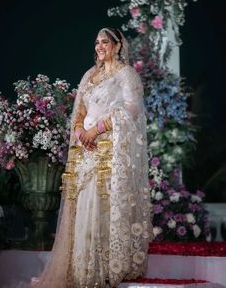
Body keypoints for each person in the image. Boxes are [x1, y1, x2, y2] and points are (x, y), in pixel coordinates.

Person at [30, 27, 153, 288]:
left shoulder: (126, 74)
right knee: (82, 206)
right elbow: (80, 110)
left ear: (118, 46)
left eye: (105, 42)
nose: (99, 46)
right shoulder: (90, 75)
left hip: (107, 151)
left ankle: (101, 271)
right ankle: (81, 272)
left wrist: (96, 130)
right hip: (85, 150)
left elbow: (131, 109)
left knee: (101, 205)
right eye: (97, 42)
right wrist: (79, 132)